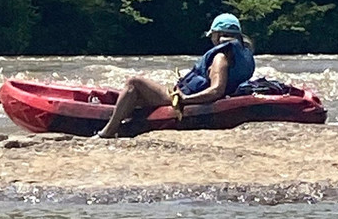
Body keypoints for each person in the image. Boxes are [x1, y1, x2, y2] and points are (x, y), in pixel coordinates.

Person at [94, 13, 256, 139]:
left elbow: (216, 91)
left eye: (213, 34)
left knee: (134, 82)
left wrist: (184, 99)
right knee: (137, 97)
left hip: (183, 98)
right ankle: (124, 116)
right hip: (189, 95)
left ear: (219, 34)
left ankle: (108, 131)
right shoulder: (242, 54)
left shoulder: (220, 58)